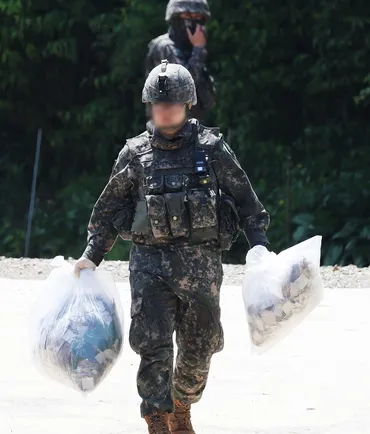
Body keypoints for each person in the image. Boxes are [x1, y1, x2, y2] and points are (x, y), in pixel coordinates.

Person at [74, 60, 270, 434]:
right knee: (153, 347)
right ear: (150, 106)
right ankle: (158, 420)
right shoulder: (135, 154)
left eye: (174, 103)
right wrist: (92, 254)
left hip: (202, 268)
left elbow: (245, 199)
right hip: (150, 265)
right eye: (159, 104)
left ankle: (182, 405)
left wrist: (258, 244)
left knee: (200, 349)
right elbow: (110, 207)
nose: (166, 109)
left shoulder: (212, 149)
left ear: (189, 104)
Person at [145, 0, 215, 121]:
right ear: (175, 18)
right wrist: (198, 50)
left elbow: (208, 101)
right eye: (187, 16)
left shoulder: (190, 50)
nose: (193, 22)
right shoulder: (164, 46)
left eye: (198, 17)